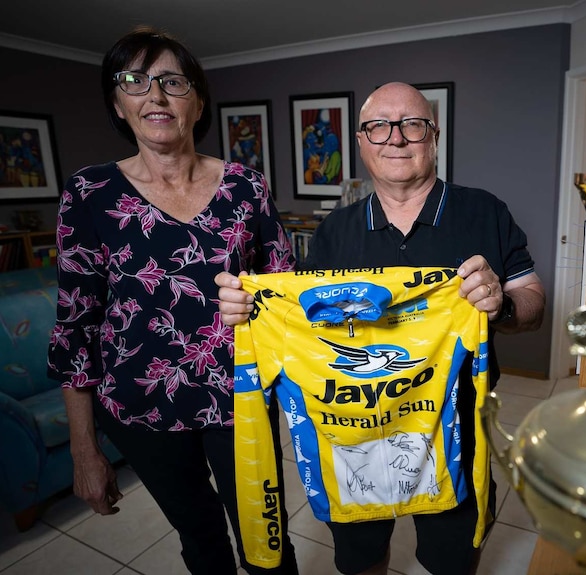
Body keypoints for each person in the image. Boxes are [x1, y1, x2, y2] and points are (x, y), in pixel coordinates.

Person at [217, 81, 545, 575]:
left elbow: (533, 301)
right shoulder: (333, 232)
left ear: (433, 137)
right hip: (354, 430)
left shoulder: (485, 210)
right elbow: (304, 325)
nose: (396, 138)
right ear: (361, 141)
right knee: (361, 555)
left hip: (457, 426)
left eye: (412, 125)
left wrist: (500, 305)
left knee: (453, 556)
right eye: (379, 127)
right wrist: (249, 308)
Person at [46, 26, 299, 575]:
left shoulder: (245, 187)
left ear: (198, 101)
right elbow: (75, 328)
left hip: (243, 399)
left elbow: (286, 295)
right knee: (201, 538)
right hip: (139, 408)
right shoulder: (89, 194)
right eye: (134, 81)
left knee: (268, 536)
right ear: (118, 103)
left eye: (172, 81)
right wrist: (84, 450)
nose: (155, 95)